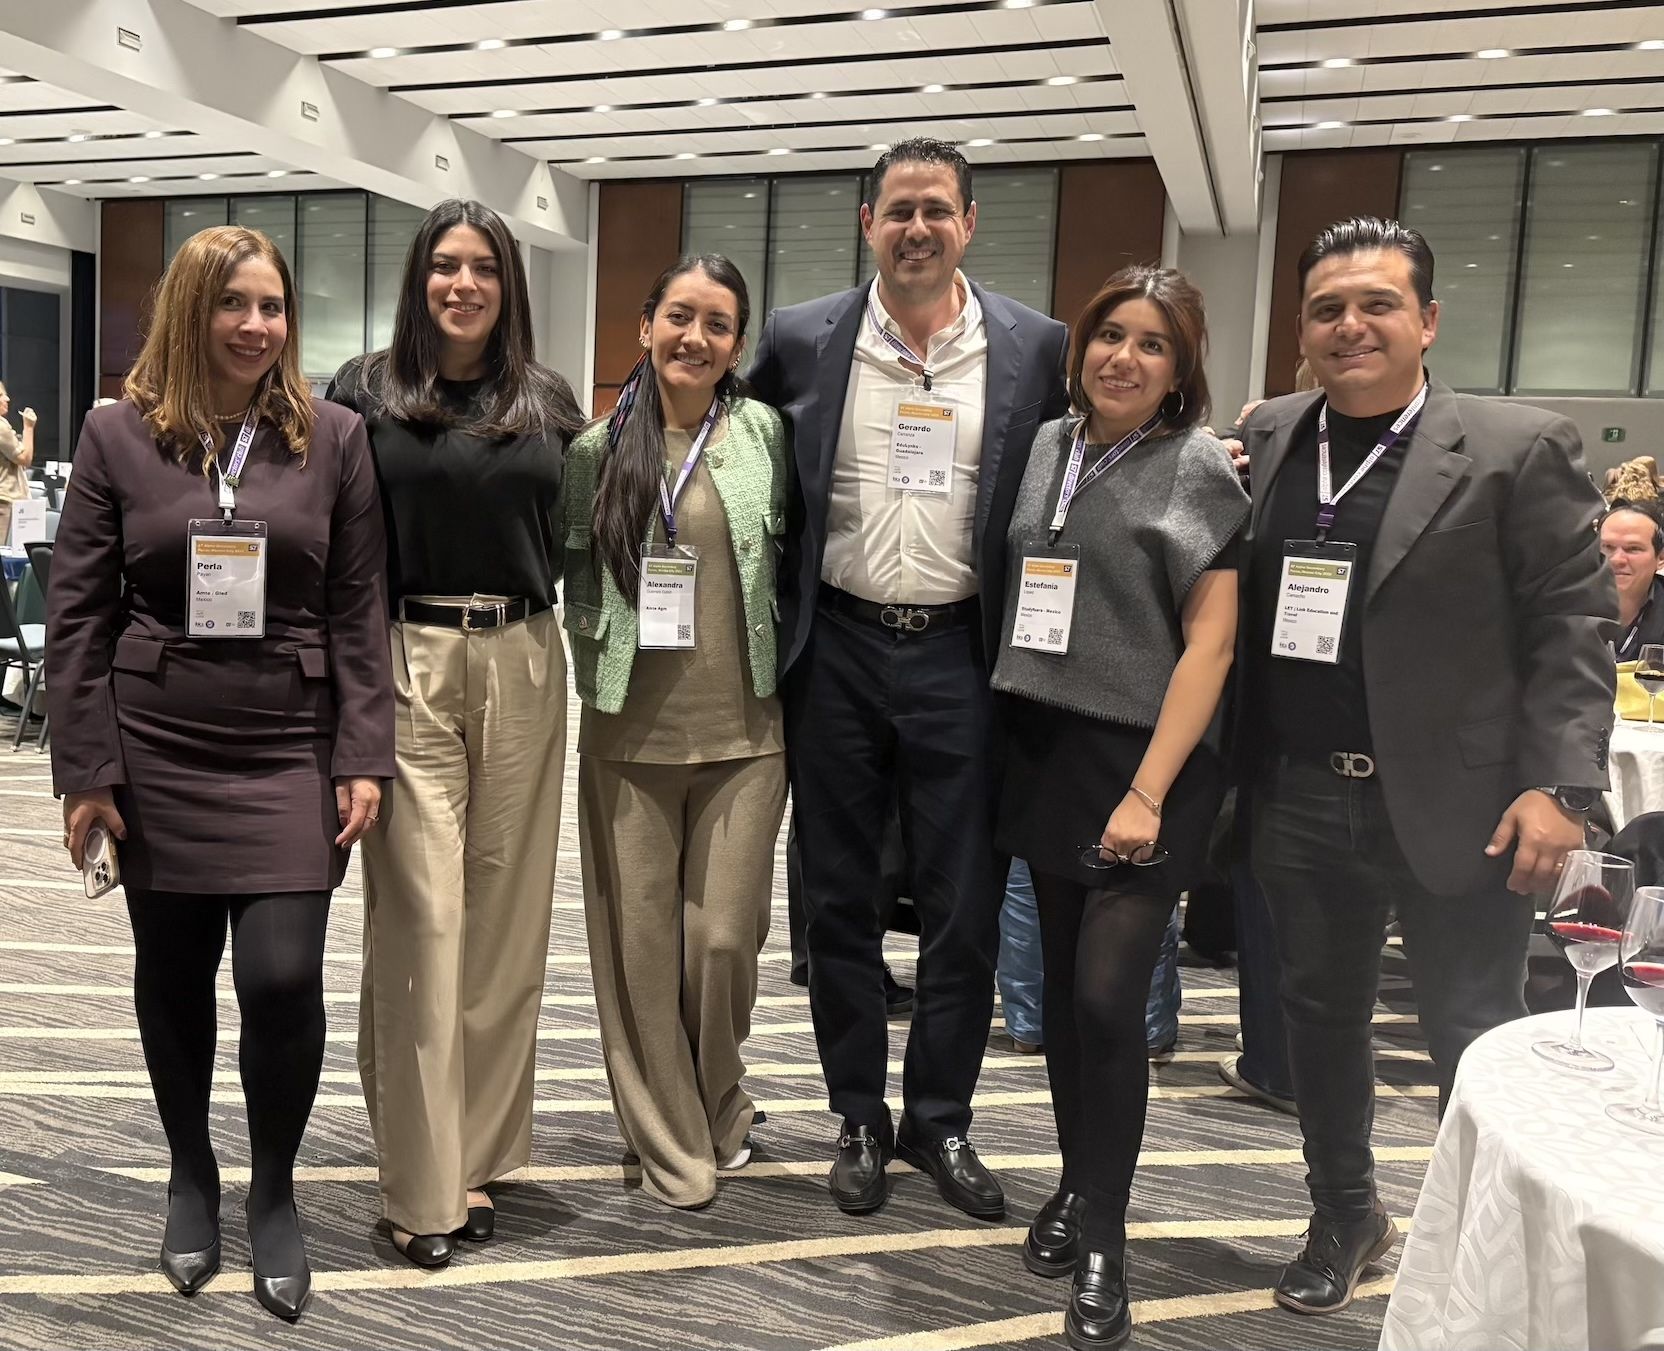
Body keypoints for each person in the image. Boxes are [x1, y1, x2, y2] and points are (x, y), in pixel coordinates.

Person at [1236, 216, 1617, 1317]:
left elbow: (1573, 624)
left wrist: (1561, 787)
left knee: (1471, 1030)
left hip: (1466, 802)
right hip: (1302, 789)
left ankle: (1485, 1250)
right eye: (1326, 309)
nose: (1349, 326)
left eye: (1377, 304)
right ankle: (1344, 1212)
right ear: (1301, 329)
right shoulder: (1271, 434)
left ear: (1428, 320)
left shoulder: (1515, 447)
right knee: (1317, 1020)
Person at [46, 225, 392, 1319]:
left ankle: (274, 1188)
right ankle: (191, 1172)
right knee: (174, 970)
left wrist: (363, 752)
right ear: (188, 314)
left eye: (271, 305)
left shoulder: (334, 436)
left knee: (282, 977)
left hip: (291, 741)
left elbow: (358, 608)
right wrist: (87, 769)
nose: (254, 325)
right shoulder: (117, 434)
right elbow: (78, 613)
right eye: (232, 304)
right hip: (158, 741)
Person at [747, 137, 1070, 1219]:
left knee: (961, 901)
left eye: (937, 209)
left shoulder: (1034, 345)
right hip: (835, 648)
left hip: (962, 654)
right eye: (898, 210)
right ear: (867, 224)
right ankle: (856, 1114)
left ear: (969, 222)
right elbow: (735, 446)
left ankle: (940, 1117)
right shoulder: (801, 338)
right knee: (835, 899)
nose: (917, 228)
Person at [328, 199, 585, 1267]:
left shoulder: (547, 400)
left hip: (525, 655)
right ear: (419, 278)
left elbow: (578, 535)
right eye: (445, 265)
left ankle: (474, 1152)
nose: (463, 283)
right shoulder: (363, 390)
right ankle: (421, 1184)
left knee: (504, 925)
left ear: (507, 283)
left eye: (483, 266)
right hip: (408, 655)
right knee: (423, 923)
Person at [993, 266, 1246, 1350]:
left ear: (1180, 368)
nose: (1123, 358)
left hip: (1147, 763)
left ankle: (1105, 1236)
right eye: (1109, 335)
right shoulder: (1049, 446)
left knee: (1107, 1001)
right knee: (1060, 994)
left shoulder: (1197, 466)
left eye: (1151, 344)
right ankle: (1075, 1179)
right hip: (1046, 749)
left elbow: (1212, 646)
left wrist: (1147, 790)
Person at [562, 254, 788, 1208]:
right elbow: (566, 572)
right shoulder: (594, 450)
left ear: (737, 344)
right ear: (645, 326)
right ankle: (672, 1134)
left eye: (718, 324)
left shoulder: (765, 434)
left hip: (748, 732)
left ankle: (718, 1096)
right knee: (642, 952)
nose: (695, 338)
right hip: (629, 736)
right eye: (680, 316)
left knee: (724, 941)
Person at [1599, 498, 1664, 660]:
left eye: (1633, 549)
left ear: (1661, 558)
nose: (1617, 560)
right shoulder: (1563, 606)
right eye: (1608, 547)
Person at [0, 380, 37, 545]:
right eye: (1, 395)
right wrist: (29, 427)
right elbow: (25, 459)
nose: (7, 399)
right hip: (5, 501)